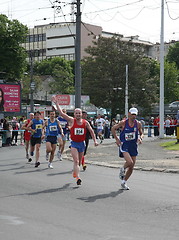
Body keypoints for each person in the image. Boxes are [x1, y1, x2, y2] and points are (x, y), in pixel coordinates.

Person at [52, 96, 98, 185]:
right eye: (76, 113)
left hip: (82, 143)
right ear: (74, 114)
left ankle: (75, 173)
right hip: (74, 144)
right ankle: (78, 178)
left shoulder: (85, 122)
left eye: (79, 113)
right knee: (76, 161)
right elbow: (61, 113)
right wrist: (56, 103)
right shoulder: (72, 121)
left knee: (80, 162)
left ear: (81, 114)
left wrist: (95, 141)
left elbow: (91, 131)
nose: (78, 115)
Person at [111, 107, 143, 190]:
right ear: (129, 114)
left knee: (132, 166)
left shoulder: (138, 124)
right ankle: (122, 169)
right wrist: (117, 139)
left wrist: (140, 138)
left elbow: (141, 133)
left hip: (133, 145)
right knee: (129, 162)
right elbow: (113, 128)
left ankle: (124, 182)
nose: (133, 116)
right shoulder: (123, 123)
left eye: (135, 115)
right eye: (132, 114)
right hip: (124, 144)